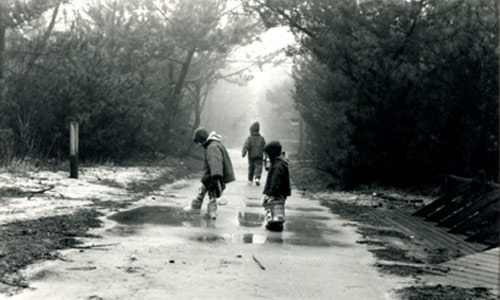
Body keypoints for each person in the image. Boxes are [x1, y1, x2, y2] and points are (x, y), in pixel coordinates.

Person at [184, 127, 235, 219]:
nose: (198, 145)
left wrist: (216, 177)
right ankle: (208, 211)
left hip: (213, 175)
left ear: (201, 140)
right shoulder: (213, 144)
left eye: (198, 142)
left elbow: (216, 162)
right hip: (212, 174)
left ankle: (199, 208)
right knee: (209, 192)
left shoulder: (212, 147)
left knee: (208, 191)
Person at [262, 140, 291, 230]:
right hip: (280, 191)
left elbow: (275, 180)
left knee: (275, 207)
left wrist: (271, 192)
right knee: (276, 207)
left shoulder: (278, 165)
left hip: (277, 192)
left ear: (272, 153)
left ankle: (275, 224)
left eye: (268, 154)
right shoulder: (279, 162)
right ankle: (274, 224)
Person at [242, 121, 266, 186]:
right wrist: (266, 155)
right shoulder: (261, 138)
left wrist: (244, 153)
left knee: (251, 168)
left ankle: (250, 179)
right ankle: (257, 178)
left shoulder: (249, 138)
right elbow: (265, 147)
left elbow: (246, 146)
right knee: (258, 167)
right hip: (259, 156)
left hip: (251, 156)